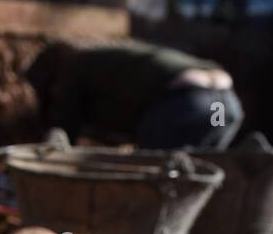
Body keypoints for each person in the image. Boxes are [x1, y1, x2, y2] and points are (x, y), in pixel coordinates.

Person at [26, 39, 244, 150]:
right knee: (195, 176)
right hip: (228, 105)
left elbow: (65, 131)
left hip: (189, 103)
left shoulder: (73, 67)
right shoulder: (113, 61)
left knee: (152, 174)